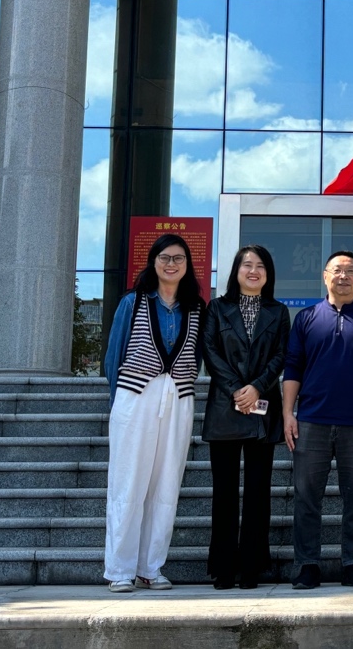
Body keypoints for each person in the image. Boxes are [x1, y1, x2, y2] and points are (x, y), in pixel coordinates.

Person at [282, 250, 353, 590]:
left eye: (350, 271)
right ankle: (308, 565)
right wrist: (288, 413)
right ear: (325, 276)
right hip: (311, 420)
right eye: (336, 270)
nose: (343, 276)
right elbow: (293, 367)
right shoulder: (306, 318)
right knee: (306, 496)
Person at [103, 234, 205, 592]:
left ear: (187, 265)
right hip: (136, 394)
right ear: (154, 261)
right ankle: (120, 570)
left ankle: (151, 567)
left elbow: (197, 357)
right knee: (128, 481)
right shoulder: (132, 302)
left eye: (179, 258)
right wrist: (120, 402)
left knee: (166, 484)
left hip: (179, 397)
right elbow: (113, 356)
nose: (171, 264)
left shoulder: (196, 307)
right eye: (165, 257)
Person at [201, 244, 290, 590]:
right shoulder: (217, 308)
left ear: (268, 274)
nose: (253, 271)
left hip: (261, 410)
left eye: (260, 266)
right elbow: (210, 351)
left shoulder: (278, 312)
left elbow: (281, 355)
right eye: (247, 265)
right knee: (224, 492)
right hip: (226, 408)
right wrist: (237, 389)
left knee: (258, 491)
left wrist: (257, 387)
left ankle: (252, 566)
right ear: (236, 271)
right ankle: (223, 567)